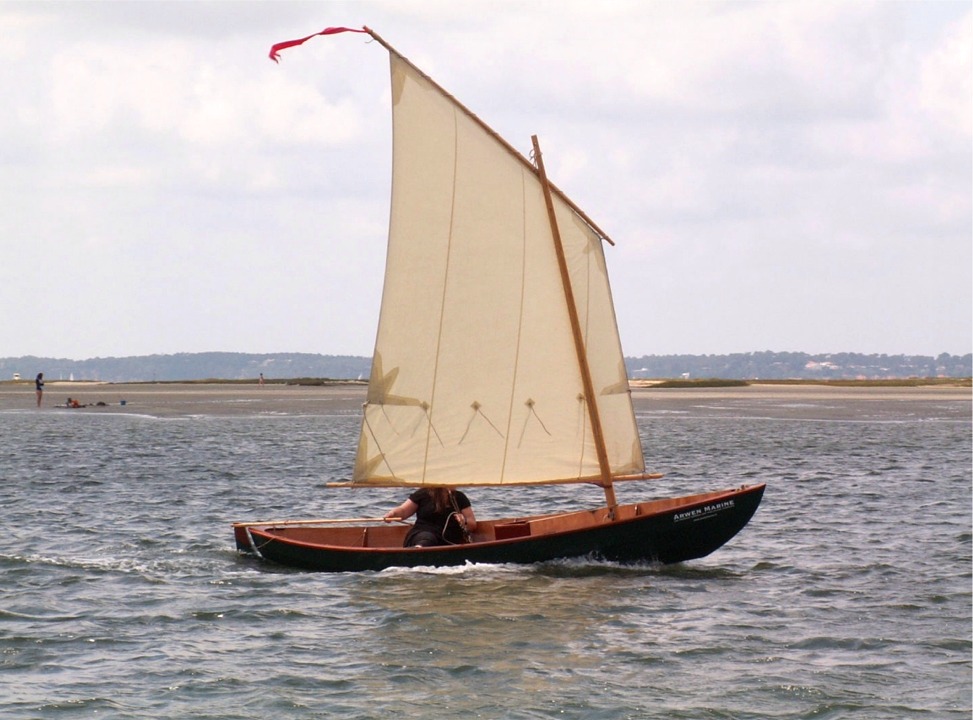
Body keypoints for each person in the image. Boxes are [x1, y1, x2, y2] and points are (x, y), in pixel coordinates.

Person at [384, 486, 476, 547]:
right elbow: (403, 511)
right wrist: (392, 513)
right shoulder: (423, 494)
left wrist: (464, 522)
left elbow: (472, 524)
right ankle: (417, 551)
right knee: (428, 538)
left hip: (448, 541)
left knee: (431, 539)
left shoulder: (459, 497)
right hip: (422, 534)